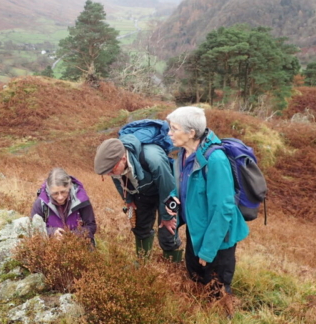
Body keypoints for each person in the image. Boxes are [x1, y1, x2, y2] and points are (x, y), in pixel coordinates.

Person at [165, 106, 249, 297]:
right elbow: (181, 187)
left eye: (174, 128)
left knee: (216, 294)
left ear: (191, 132)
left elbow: (223, 210)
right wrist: (172, 202)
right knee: (195, 286)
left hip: (218, 240)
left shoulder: (215, 160)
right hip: (195, 232)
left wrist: (207, 251)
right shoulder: (182, 155)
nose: (169, 133)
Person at [93, 134, 182, 262]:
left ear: (123, 158)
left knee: (168, 234)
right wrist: (128, 200)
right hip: (142, 193)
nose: (109, 175)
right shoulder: (113, 164)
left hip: (165, 194)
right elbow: (119, 182)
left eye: (111, 171)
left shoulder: (153, 159)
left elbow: (169, 190)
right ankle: (142, 264)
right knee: (140, 228)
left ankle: (174, 270)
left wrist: (167, 217)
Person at [30, 168, 97, 245]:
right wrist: (51, 232)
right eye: (55, 193)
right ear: (48, 190)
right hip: (52, 248)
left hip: (80, 246)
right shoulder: (41, 202)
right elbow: (33, 228)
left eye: (63, 192)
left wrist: (73, 235)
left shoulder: (81, 199)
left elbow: (91, 226)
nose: (60, 197)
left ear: (69, 186)